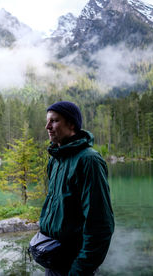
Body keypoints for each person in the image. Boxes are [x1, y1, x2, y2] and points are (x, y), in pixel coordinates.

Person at [39, 101, 115, 276]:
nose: (47, 126)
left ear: (71, 124)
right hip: (53, 259)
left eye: (54, 121)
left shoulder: (89, 160)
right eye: (47, 121)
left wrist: (80, 269)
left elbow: (100, 225)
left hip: (75, 265)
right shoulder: (55, 160)